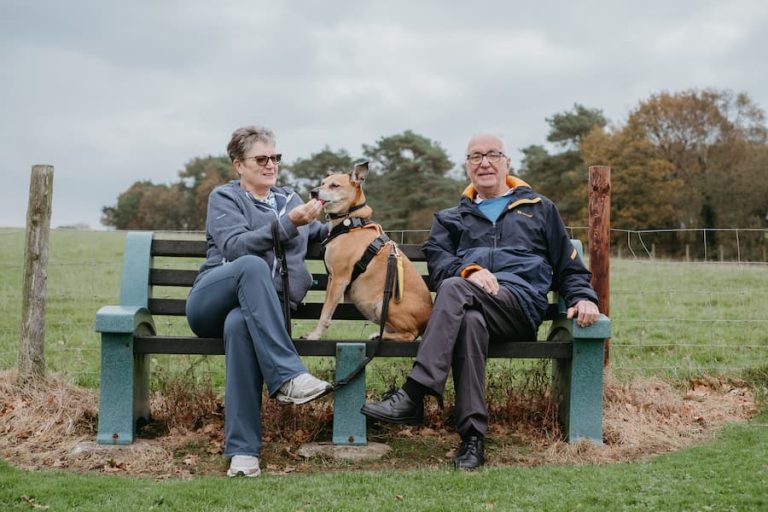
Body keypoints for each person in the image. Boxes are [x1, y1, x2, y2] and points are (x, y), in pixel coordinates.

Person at [361, 133, 600, 470]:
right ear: (467, 166)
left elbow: (568, 266)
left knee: (455, 289)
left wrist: (584, 297)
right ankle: (472, 439)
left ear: (507, 163)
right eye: (475, 156)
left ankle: (414, 394)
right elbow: (440, 266)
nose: (484, 162)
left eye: (492, 155)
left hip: (518, 307)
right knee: (469, 320)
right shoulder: (450, 218)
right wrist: (469, 271)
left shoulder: (539, 209)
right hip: (469, 308)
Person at [186, 125, 331, 478]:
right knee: (251, 265)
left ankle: (243, 453)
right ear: (239, 164)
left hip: (261, 311)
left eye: (275, 157)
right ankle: (289, 375)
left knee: (240, 325)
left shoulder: (290, 200)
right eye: (261, 159)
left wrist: (354, 220)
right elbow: (235, 246)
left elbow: (321, 232)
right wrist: (288, 224)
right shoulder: (226, 198)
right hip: (211, 302)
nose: (271, 165)